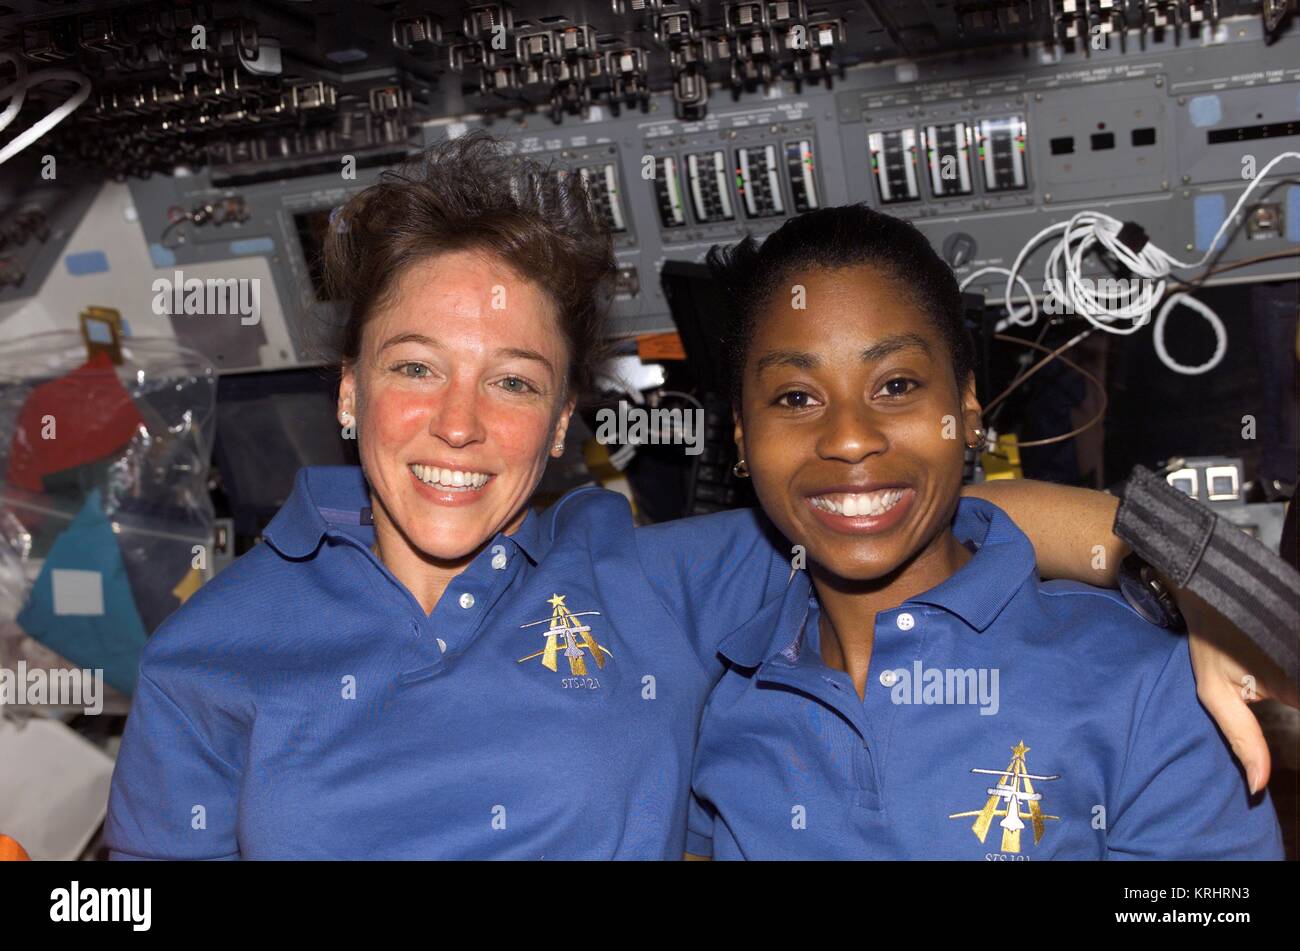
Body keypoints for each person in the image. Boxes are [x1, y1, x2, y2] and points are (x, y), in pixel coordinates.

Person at [104, 132, 1283, 860]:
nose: (459, 424)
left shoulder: (628, 575)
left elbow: (885, 507)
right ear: (348, 390)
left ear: (564, 423)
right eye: (416, 366)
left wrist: (1200, 583)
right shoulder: (207, 656)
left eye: (513, 381)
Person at [686, 205, 1284, 859]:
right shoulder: (716, 707)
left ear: (967, 411)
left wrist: (1195, 565)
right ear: (742, 439)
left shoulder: (1144, 687)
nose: (850, 437)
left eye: (896, 384)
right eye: (796, 397)